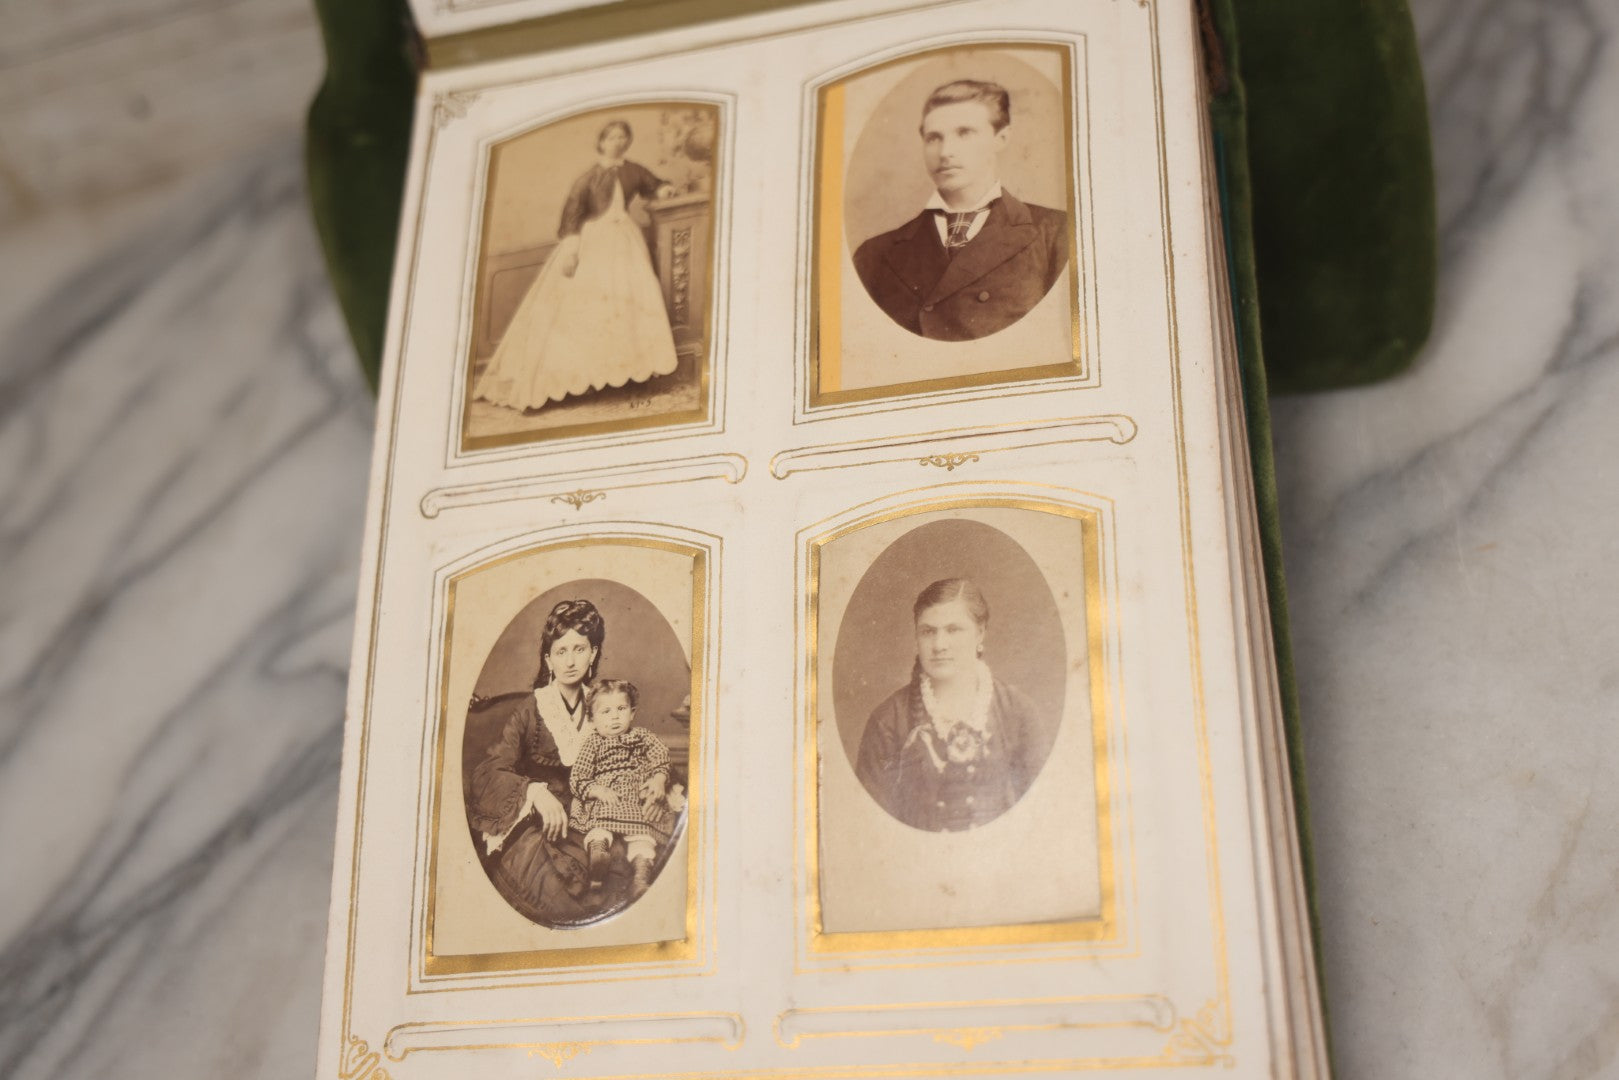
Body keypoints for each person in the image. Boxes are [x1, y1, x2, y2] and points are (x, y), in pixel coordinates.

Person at [466, 599, 664, 925]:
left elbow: (635, 755)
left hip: (597, 816)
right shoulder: (531, 709)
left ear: (594, 654)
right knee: (554, 889)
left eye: (579, 649)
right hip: (541, 823)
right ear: (548, 659)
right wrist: (535, 793)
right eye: (561, 652)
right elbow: (490, 769)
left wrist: (650, 785)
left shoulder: (606, 706)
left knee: (627, 875)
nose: (570, 661)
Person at [473, 119, 680, 413]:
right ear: (601, 142)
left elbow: (653, 184)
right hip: (593, 241)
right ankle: (574, 380)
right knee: (585, 307)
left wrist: (664, 190)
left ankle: (624, 374)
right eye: (612, 137)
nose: (618, 142)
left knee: (630, 302)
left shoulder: (634, 170)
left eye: (623, 137)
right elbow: (571, 217)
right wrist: (572, 251)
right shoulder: (587, 179)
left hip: (625, 242)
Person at [851, 80, 1068, 342]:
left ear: (1001, 138)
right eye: (934, 138)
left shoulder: (1056, 234)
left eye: (964, 133)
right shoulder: (874, 255)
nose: (945, 152)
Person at [854, 578, 1041, 831]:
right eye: (928, 631)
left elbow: (1040, 814)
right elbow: (871, 827)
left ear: (980, 632)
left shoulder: (1017, 712)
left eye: (954, 629)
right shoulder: (888, 721)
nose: (939, 645)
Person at [568, 679, 684, 898]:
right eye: (606, 711)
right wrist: (596, 790)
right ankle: (598, 853)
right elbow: (579, 776)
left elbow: (660, 755)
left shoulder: (642, 736)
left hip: (637, 795)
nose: (614, 717)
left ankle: (640, 876)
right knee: (599, 822)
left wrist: (659, 779)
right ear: (592, 719)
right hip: (607, 794)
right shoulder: (593, 743)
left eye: (621, 709)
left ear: (632, 713)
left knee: (643, 834)